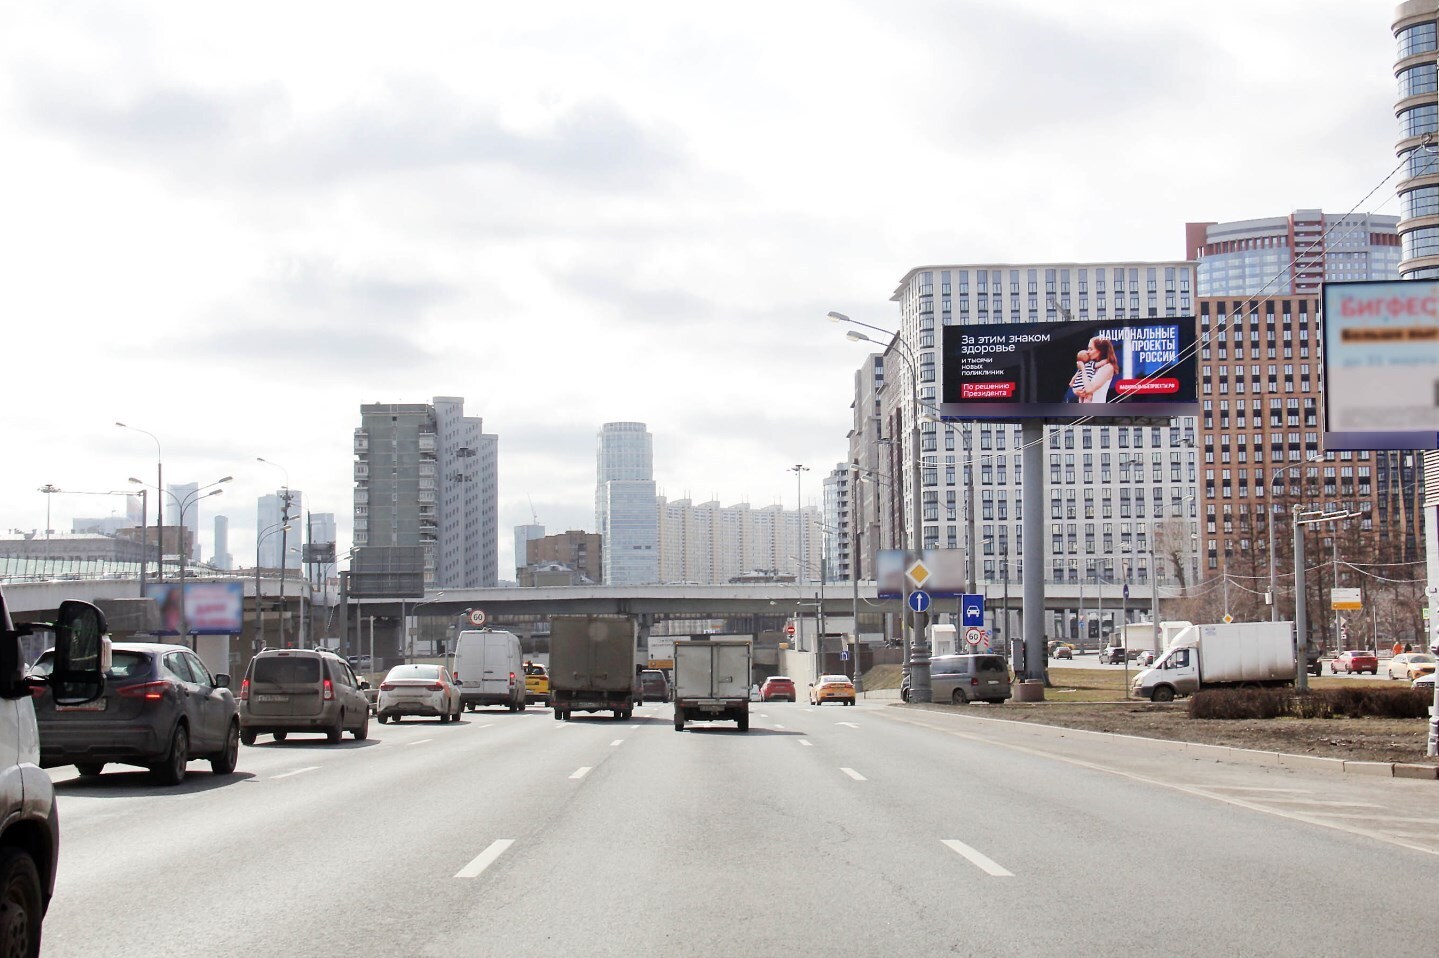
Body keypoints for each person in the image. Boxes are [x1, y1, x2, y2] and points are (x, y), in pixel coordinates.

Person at [1076, 337, 1118, 403]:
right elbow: (1081, 384)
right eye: (1088, 348)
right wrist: (1077, 391)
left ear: (1100, 351)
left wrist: (1083, 368)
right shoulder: (1092, 366)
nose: (1088, 352)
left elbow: (1089, 389)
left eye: (1091, 349)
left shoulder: (1107, 367)